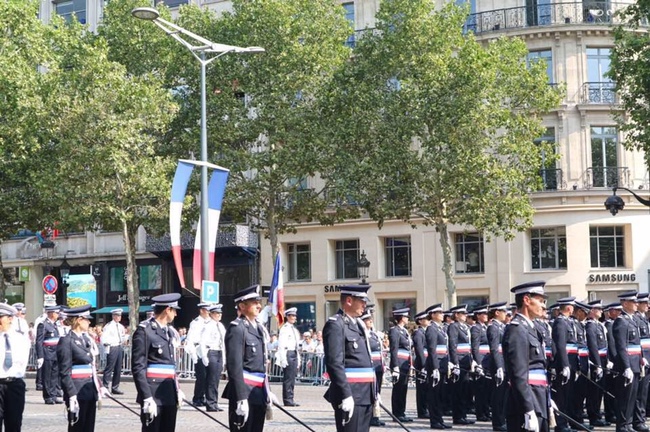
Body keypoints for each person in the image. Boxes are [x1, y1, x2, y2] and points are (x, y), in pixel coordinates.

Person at [222, 285, 278, 432]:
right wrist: (241, 397)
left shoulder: (258, 328)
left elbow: (261, 366)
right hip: (244, 391)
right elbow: (234, 366)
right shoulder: (237, 328)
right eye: (254, 302)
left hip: (258, 392)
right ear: (242, 305)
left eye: (258, 302)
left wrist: (267, 391)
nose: (259, 306)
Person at [323, 285, 376, 432]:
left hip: (365, 394)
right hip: (352, 393)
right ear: (349, 300)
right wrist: (346, 394)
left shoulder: (358, 324)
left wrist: (374, 391)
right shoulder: (336, 324)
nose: (365, 305)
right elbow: (334, 363)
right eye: (361, 301)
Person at [132, 293, 185, 432]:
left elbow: (170, 365)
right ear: (167, 310)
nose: (176, 315)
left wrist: (177, 388)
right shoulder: (145, 331)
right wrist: (146, 396)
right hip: (153, 392)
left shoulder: (169, 332)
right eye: (174, 311)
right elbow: (138, 367)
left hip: (168, 392)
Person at [502, 281, 550, 432]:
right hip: (526, 402)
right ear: (527, 300)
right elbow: (518, 375)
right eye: (541, 301)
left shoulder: (532, 328)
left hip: (539, 396)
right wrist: (527, 409)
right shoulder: (517, 329)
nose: (544, 306)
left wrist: (547, 399)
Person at [57, 305, 109, 432]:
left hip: (89, 390)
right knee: (78, 427)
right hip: (77, 390)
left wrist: (99, 385)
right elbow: (65, 371)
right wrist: (71, 394)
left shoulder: (86, 339)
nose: (89, 322)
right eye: (86, 319)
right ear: (79, 320)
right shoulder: (67, 341)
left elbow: (91, 367)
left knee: (88, 427)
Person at [613, 291, 642, 432]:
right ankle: (622, 425)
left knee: (633, 397)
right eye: (633, 302)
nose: (636, 304)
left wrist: (642, 360)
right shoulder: (621, 321)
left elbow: (637, 344)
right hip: (628, 364)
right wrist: (626, 367)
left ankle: (628, 424)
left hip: (636, 363)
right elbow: (621, 346)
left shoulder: (633, 320)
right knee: (625, 397)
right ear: (625, 303)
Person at [0, 302, 30, 431]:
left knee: (14, 423)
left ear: (10, 318)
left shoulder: (20, 339)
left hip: (14, 384)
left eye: (2, 318)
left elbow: (23, 362)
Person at [551, 296, 577, 432]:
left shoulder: (568, 322)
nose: (573, 309)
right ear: (568, 308)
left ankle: (565, 423)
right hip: (564, 364)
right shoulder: (560, 322)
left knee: (568, 395)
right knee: (562, 396)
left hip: (571, 363)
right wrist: (565, 365)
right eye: (572, 307)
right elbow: (560, 345)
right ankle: (560, 424)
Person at [424, 303, 450, 430]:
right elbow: (432, 350)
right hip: (436, 365)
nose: (442, 314)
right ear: (433, 315)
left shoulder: (440, 329)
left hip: (442, 365)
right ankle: (434, 421)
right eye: (439, 312)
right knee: (434, 394)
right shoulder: (431, 329)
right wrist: (435, 368)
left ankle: (439, 419)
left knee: (440, 394)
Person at [448, 304, 474, 425]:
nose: (465, 316)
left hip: (466, 361)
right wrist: (455, 363)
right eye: (463, 314)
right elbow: (453, 345)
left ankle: (463, 415)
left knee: (465, 390)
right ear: (456, 315)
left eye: (465, 314)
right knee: (458, 391)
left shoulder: (465, 327)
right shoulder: (454, 326)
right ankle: (458, 416)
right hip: (459, 361)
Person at [199, 303, 226, 412]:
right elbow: (202, 341)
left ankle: (214, 402)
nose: (219, 315)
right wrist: (204, 356)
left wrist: (224, 358)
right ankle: (210, 403)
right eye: (217, 313)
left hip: (219, 352)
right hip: (212, 352)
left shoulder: (220, 326)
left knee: (216, 380)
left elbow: (224, 343)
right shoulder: (208, 325)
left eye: (220, 313)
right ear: (211, 314)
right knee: (211, 379)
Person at [361, 304, 385, 427]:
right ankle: (370, 416)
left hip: (378, 366)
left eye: (371, 320)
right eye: (368, 320)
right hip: (371, 367)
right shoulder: (364, 334)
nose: (371, 322)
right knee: (372, 393)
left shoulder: (374, 334)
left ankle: (376, 415)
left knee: (377, 392)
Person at [487, 302, 508, 432]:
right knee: (498, 395)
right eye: (503, 311)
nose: (506, 314)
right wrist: (499, 366)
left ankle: (502, 419)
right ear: (497, 312)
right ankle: (498, 423)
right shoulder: (493, 327)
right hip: (498, 364)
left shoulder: (501, 326)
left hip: (503, 363)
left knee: (503, 395)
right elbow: (494, 349)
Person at [389, 307, 413, 423]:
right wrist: (395, 366)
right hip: (399, 363)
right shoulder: (395, 331)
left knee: (403, 389)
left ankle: (401, 412)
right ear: (401, 318)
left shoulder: (404, 331)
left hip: (405, 363)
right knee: (398, 389)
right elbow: (394, 349)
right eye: (406, 317)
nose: (408, 318)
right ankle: (396, 414)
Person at [185, 303, 211, 406]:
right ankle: (197, 398)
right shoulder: (195, 322)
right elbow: (190, 339)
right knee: (201, 376)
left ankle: (203, 396)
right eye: (206, 310)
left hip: (208, 351)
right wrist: (193, 354)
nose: (208, 312)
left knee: (208, 376)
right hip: (198, 351)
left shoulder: (210, 322)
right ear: (201, 310)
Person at [36, 305, 63, 404]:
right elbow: (39, 341)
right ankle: (48, 396)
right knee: (47, 376)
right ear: (51, 313)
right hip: (47, 353)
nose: (58, 315)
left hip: (55, 353)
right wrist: (40, 356)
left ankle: (53, 394)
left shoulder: (54, 325)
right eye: (56, 313)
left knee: (54, 376)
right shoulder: (43, 325)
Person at [276, 307, 301, 407]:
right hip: (288, 354)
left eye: (295, 316)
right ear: (287, 317)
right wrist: (283, 359)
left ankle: (291, 398)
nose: (294, 317)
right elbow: (281, 345)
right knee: (288, 378)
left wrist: (298, 358)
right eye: (292, 316)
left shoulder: (294, 330)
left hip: (294, 353)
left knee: (292, 378)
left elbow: (297, 346)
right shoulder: (284, 329)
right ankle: (287, 399)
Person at [470, 304, 491, 423]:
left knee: (486, 389)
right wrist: (478, 363)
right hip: (481, 361)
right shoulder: (476, 328)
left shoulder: (484, 327)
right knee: (480, 389)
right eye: (483, 314)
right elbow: (475, 347)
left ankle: (486, 412)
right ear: (478, 316)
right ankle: (480, 413)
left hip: (487, 360)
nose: (486, 316)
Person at [101, 308, 126, 395]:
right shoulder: (109, 326)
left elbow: (122, 336)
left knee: (118, 368)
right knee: (110, 367)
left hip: (119, 346)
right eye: (117, 315)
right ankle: (105, 386)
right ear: (113, 316)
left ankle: (115, 387)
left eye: (120, 315)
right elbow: (104, 337)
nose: (119, 317)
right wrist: (107, 344)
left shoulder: (120, 326)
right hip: (112, 346)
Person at [412, 310, 430, 419]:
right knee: (422, 389)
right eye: (426, 319)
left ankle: (426, 409)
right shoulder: (418, 333)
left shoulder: (425, 332)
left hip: (426, 362)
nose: (428, 321)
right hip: (421, 363)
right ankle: (422, 411)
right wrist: (423, 365)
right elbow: (419, 350)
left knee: (426, 388)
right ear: (420, 321)